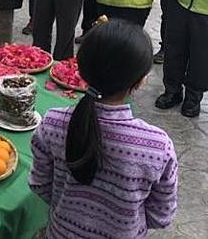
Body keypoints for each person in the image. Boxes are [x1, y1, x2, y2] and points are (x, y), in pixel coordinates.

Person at [29, 20, 178, 238]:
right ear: (139, 82)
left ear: (82, 70)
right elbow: (161, 215)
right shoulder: (158, 146)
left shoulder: (53, 123)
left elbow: (40, 184)